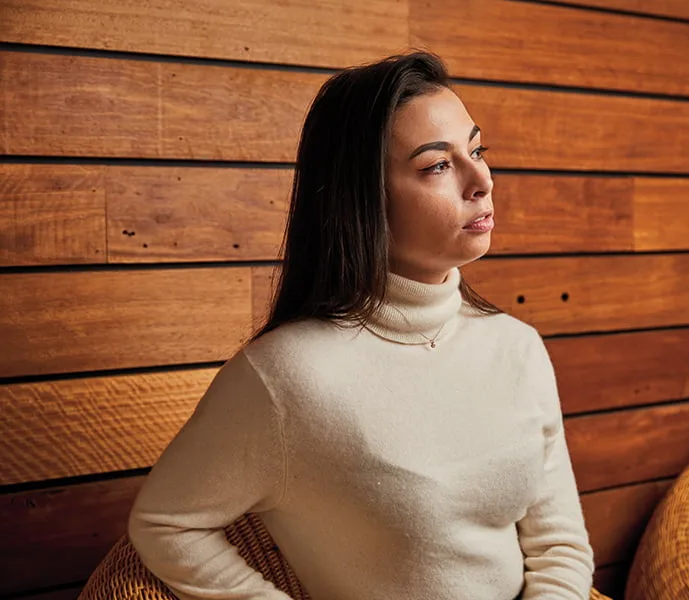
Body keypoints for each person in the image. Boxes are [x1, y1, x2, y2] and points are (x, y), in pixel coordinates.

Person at [128, 50, 595, 600]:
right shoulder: (287, 377)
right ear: (365, 197)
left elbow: (560, 544)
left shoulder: (517, 348)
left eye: (476, 150)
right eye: (437, 165)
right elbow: (165, 523)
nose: (482, 180)